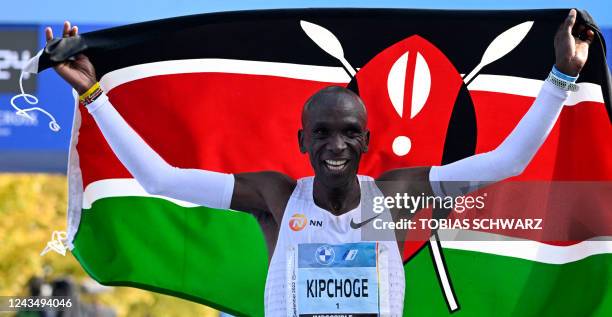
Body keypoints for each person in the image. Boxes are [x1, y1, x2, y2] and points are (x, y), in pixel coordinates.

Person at [46, 9, 593, 316]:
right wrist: (95, 94)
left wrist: (563, 76)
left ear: (366, 140)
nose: (337, 144)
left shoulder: (393, 198)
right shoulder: (277, 197)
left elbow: (505, 162)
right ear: (302, 140)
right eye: (324, 133)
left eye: (350, 133)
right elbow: (159, 178)